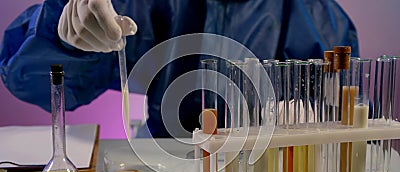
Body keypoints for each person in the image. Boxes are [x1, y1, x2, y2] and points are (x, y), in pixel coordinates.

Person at [0, 0, 359, 138]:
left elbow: (347, 122)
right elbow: (29, 78)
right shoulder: (146, 5)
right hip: (163, 170)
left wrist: (310, 125)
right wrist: (63, 33)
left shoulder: (316, 18)